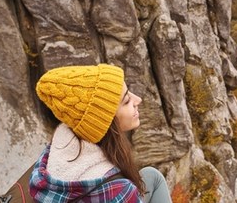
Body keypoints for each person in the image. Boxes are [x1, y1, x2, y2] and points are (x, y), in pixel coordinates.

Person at [29, 64, 171, 202]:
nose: (138, 100)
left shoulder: (59, 147)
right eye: (127, 101)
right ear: (104, 120)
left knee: (151, 176)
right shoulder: (119, 191)